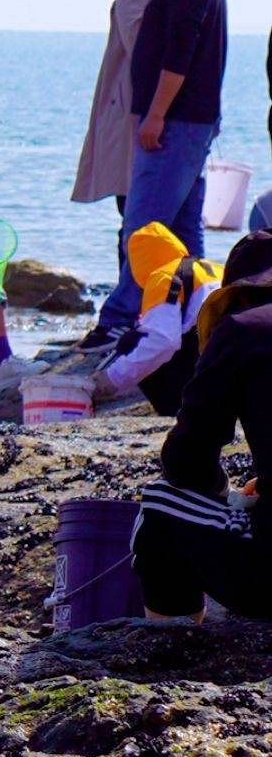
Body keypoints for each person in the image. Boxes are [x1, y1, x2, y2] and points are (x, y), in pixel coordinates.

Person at [94, 0, 228, 342]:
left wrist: (154, 115)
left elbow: (179, 55)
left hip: (175, 122)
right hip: (191, 121)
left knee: (145, 227)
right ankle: (201, 315)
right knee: (185, 229)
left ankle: (119, 320)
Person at [131, 236, 272, 620]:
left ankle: (177, 651)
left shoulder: (243, 329)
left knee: (161, 502)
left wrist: (226, 492)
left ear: (237, 296)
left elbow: (185, 461)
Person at [72, 0, 160, 286]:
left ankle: (132, 296)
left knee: (133, 216)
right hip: (149, 116)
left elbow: (142, 52)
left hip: (133, 119)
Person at [99, 224, 220, 416]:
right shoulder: (214, 268)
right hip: (241, 356)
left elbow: (163, 341)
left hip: (213, 362)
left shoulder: (163, 276)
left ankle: (177, 410)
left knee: (132, 341)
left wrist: (112, 380)